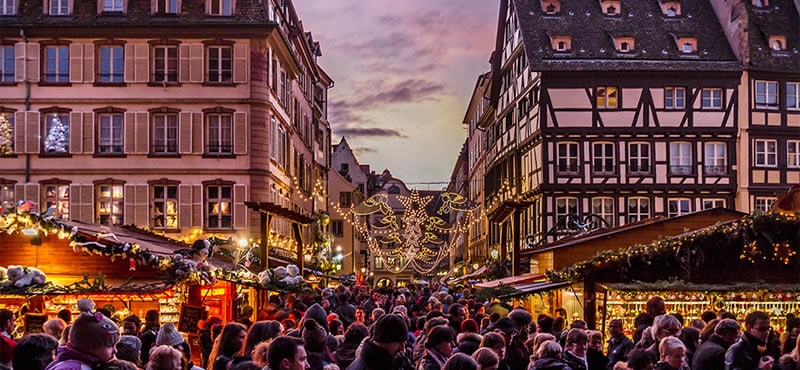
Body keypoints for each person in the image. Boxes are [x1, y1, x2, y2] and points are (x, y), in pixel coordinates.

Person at [46, 311, 120, 370]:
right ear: (89, 346)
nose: (115, 350)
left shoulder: (86, 364)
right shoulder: (71, 368)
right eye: (110, 345)